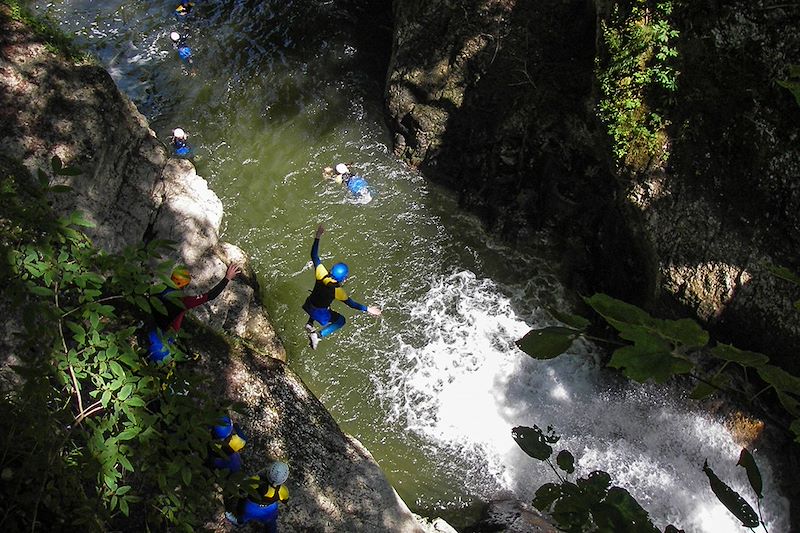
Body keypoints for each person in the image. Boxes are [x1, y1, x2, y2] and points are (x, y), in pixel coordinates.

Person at [302, 224, 381, 350]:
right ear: (343, 278)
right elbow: (352, 304)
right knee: (341, 321)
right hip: (319, 313)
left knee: (322, 301)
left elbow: (314, 256)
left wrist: (317, 237)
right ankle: (318, 335)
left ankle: (310, 323)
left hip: (309, 304)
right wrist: (368, 309)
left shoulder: (321, 273)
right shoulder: (338, 291)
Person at [146, 262, 241, 362]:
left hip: (152, 324)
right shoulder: (184, 301)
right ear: (184, 285)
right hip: (165, 332)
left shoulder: (158, 289)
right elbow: (211, 295)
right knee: (159, 354)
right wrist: (227, 278)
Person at [226, 461, 290, 531]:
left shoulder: (256, 480)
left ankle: (239, 522)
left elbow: (243, 488)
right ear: (284, 479)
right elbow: (285, 500)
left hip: (250, 507)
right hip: (269, 510)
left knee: (243, 515)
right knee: (271, 522)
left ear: (269, 471)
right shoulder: (283, 490)